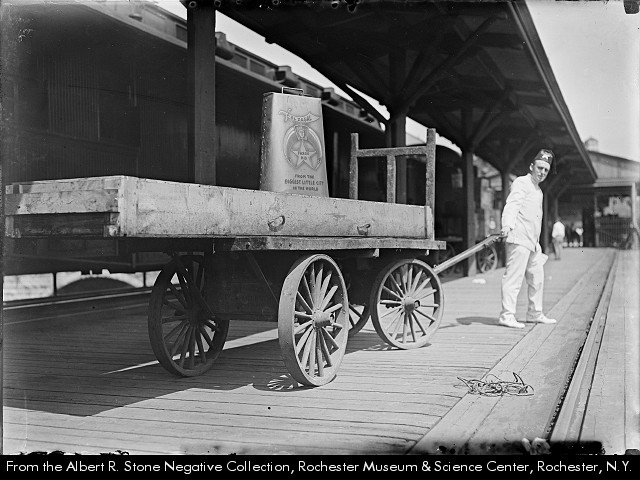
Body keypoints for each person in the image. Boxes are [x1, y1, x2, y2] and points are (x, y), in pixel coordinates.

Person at [498, 149, 557, 329]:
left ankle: (534, 313)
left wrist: (536, 243)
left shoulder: (538, 191)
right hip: (518, 238)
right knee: (513, 278)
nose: (542, 172)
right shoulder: (521, 182)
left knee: (537, 278)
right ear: (532, 166)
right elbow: (512, 204)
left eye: (546, 170)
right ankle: (507, 315)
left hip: (532, 242)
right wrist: (507, 225)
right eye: (540, 168)